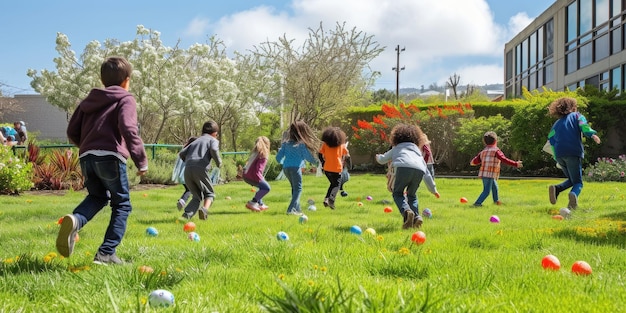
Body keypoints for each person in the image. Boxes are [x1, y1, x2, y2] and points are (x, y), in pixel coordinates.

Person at [57, 56, 148, 265]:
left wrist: (88, 146)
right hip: (111, 156)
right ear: (127, 80)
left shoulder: (87, 101)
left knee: (97, 197)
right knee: (122, 204)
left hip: (87, 156)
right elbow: (128, 128)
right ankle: (106, 254)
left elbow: (72, 130)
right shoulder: (126, 98)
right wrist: (141, 160)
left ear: (102, 79)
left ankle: (76, 220)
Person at [376, 124, 440, 229]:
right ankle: (416, 217)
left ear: (396, 137)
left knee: (397, 193)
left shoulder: (397, 147)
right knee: (412, 195)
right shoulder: (417, 151)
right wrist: (433, 190)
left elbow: (383, 159)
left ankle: (406, 212)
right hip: (419, 170)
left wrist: (378, 157)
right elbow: (427, 173)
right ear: (416, 139)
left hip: (402, 168)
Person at [547, 97, 601, 210]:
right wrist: (592, 135)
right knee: (578, 182)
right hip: (573, 152)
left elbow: (551, 139)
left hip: (560, 155)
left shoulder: (556, 124)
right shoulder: (577, 116)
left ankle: (556, 189)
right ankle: (573, 197)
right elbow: (584, 126)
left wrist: (556, 157)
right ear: (573, 107)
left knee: (572, 179)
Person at [179, 121, 222, 220]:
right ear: (215, 133)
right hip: (200, 168)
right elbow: (214, 150)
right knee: (209, 193)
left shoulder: (195, 141)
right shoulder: (213, 140)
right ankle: (204, 210)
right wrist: (219, 162)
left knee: (196, 196)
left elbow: (182, 153)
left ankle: (186, 216)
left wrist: (189, 162)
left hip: (188, 169)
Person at [276, 121, 319, 216]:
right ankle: (291, 209)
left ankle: (297, 209)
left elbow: (278, 158)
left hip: (286, 169)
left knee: (294, 188)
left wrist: (284, 162)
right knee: (298, 189)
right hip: (295, 168)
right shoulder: (301, 145)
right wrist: (317, 162)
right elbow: (308, 157)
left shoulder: (285, 144)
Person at [470, 131, 523, 207]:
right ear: (496, 141)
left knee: (495, 187)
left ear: (485, 142)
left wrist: (472, 162)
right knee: (486, 191)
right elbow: (504, 159)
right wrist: (515, 163)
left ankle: (496, 201)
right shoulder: (496, 151)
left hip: (485, 173)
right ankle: (477, 203)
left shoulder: (483, 151)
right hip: (490, 174)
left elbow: (475, 161)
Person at [318, 127, 349, 209]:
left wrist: (323, 163)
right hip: (337, 168)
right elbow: (347, 155)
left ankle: (326, 199)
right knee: (336, 185)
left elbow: (319, 154)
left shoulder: (325, 145)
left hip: (327, 168)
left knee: (333, 184)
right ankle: (331, 200)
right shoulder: (341, 145)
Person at [243, 136, 271, 212]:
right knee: (266, 188)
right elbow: (259, 169)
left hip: (246, 175)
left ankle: (260, 204)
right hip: (253, 175)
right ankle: (253, 202)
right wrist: (260, 178)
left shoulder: (255, 153)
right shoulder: (263, 155)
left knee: (261, 187)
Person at [172, 136, 197, 210]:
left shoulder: (184, 150)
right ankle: (183, 201)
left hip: (181, 175)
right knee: (190, 189)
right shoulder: (192, 152)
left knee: (188, 189)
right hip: (187, 174)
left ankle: (182, 200)